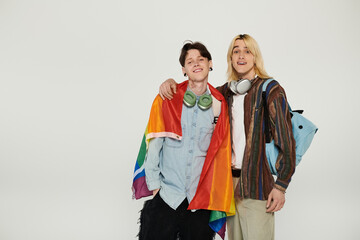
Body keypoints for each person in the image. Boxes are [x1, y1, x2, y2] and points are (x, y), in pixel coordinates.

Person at [158, 34, 296, 240]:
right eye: (236, 51)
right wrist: (171, 83)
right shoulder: (224, 94)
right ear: (230, 58)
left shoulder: (271, 90)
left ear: (255, 57)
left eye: (247, 51)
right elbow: (197, 86)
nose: (241, 56)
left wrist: (281, 186)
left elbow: (286, 141)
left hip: (257, 186)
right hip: (227, 186)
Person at [132, 41, 235, 240]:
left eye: (200, 59)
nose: (196, 64)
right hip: (167, 196)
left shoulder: (219, 105)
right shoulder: (168, 98)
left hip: (200, 200)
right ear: (184, 69)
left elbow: (219, 155)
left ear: (210, 63)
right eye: (190, 61)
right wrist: (155, 189)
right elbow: (154, 146)